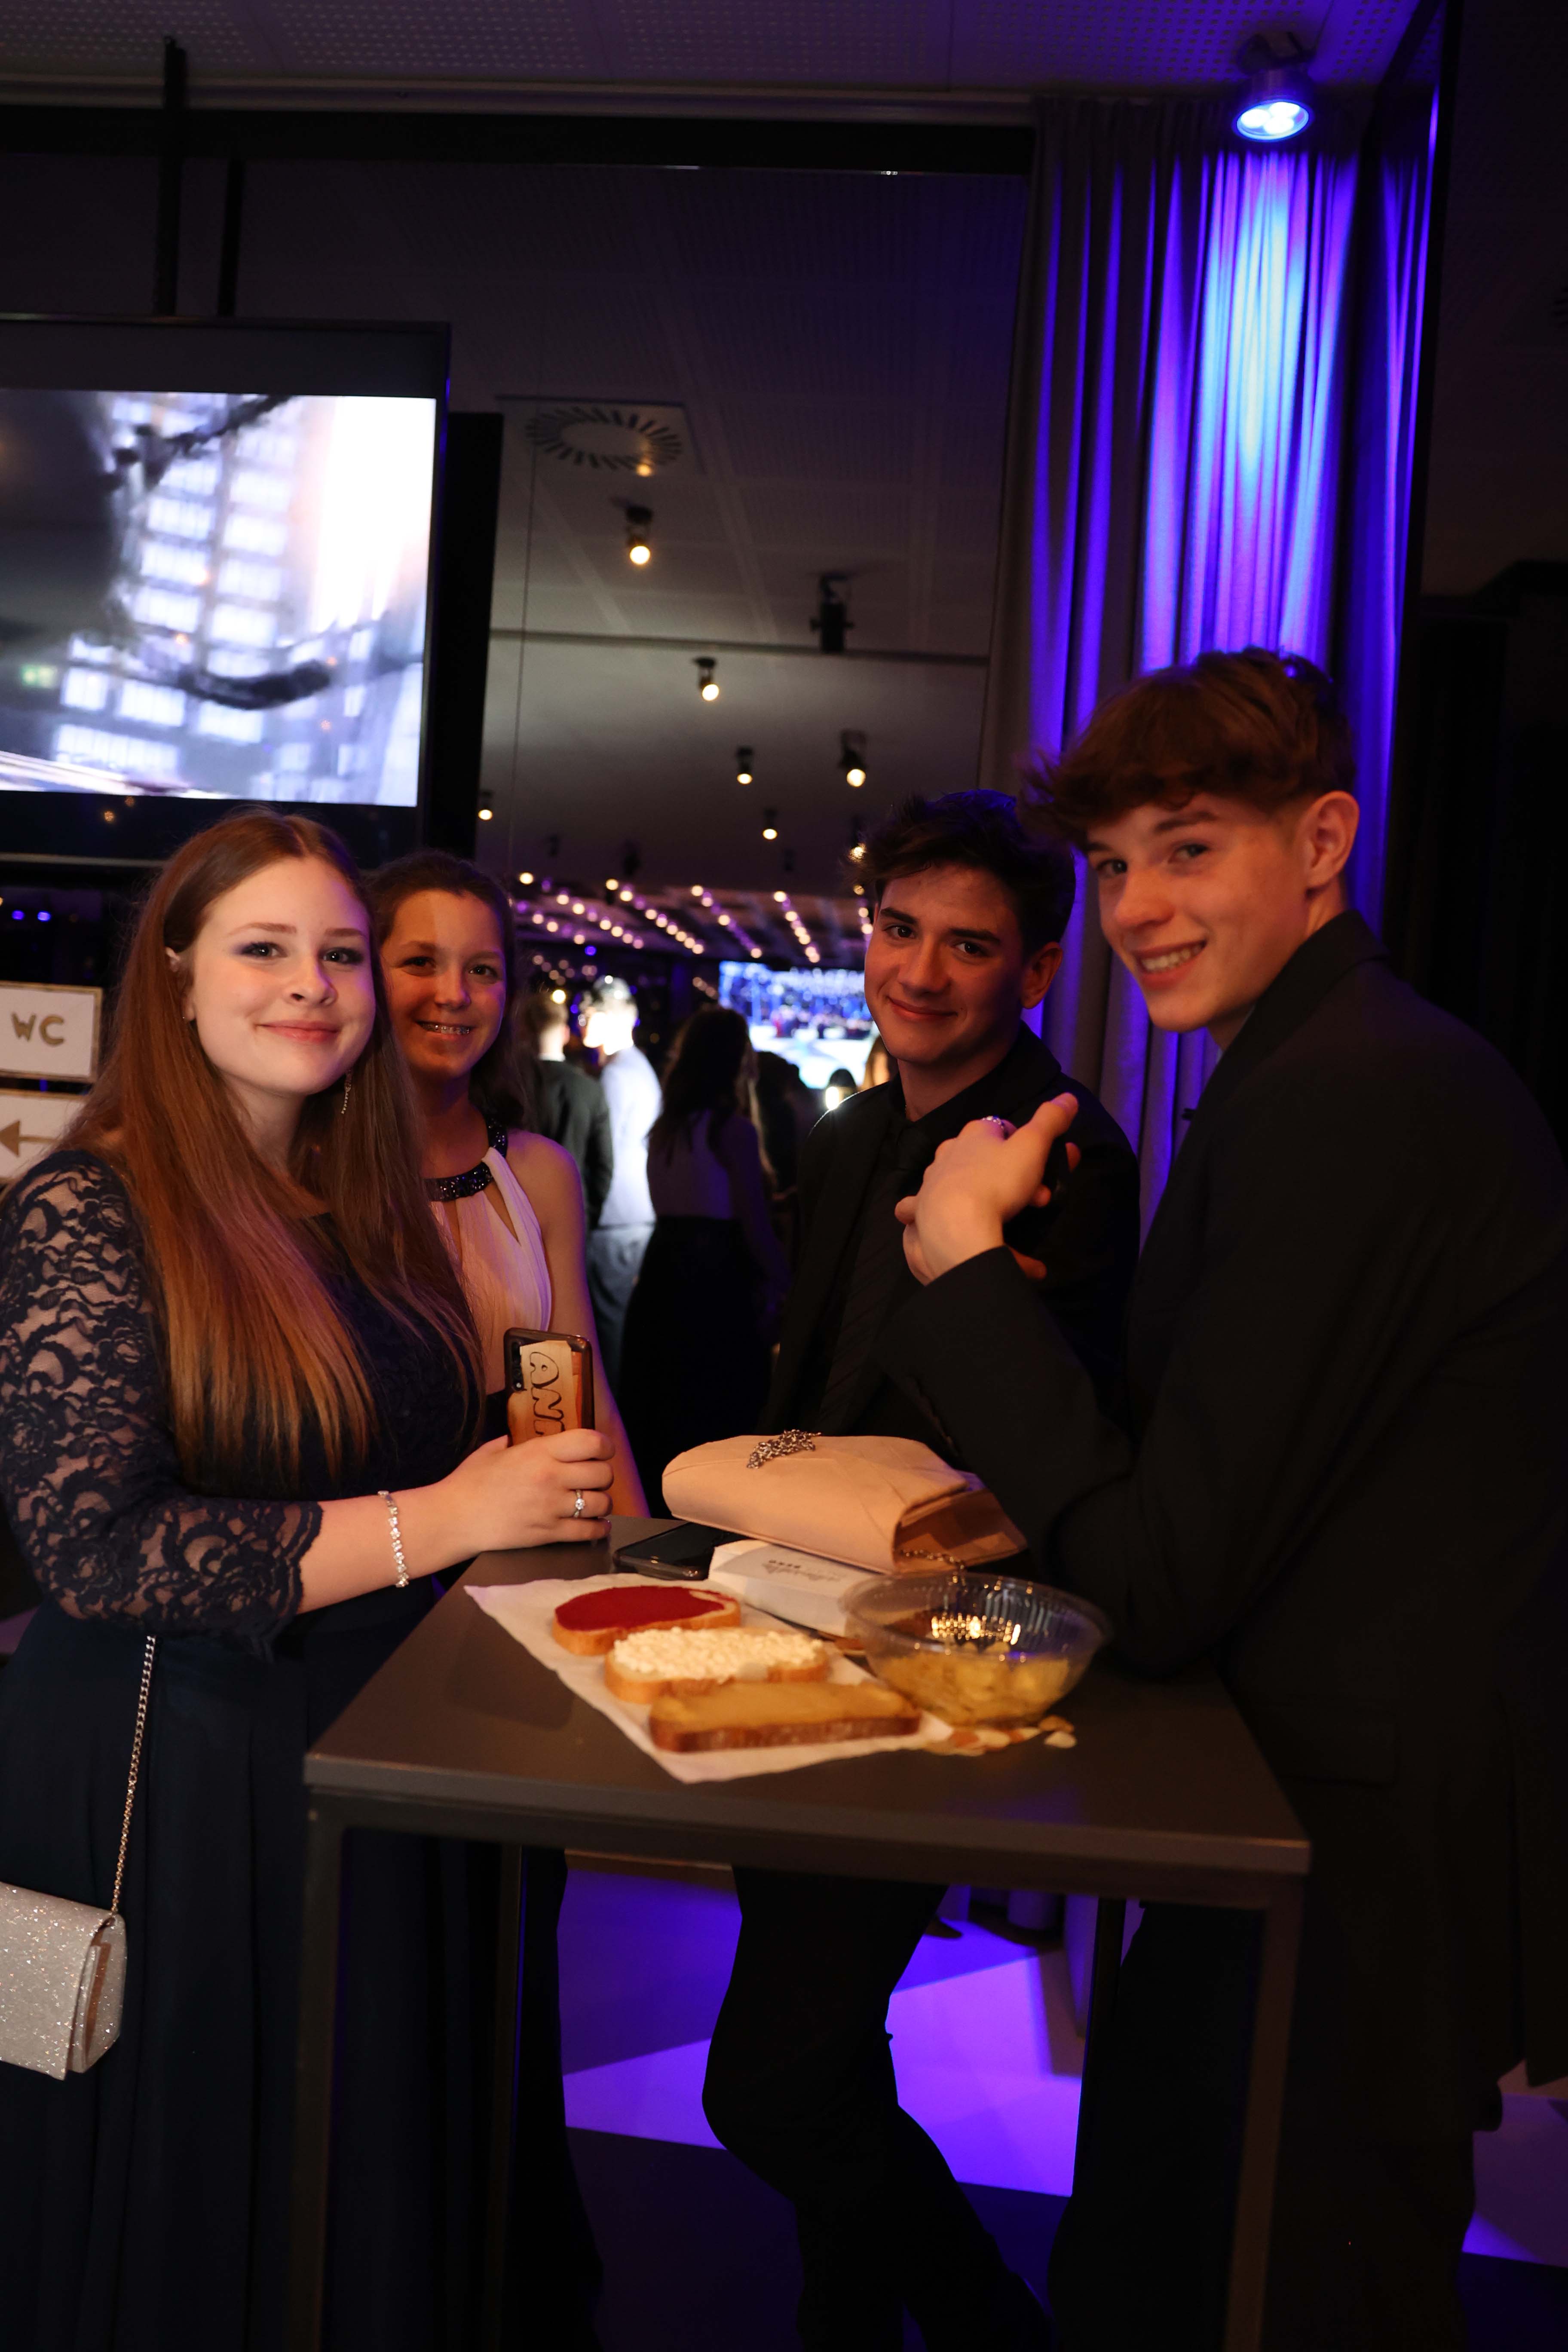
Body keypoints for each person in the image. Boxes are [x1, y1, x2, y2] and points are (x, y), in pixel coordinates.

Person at [884, 651, 1568, 2351]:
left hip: (1350, 1864)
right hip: (1298, 1825)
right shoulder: (1316, 1070)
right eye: (1113, 863)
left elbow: (1161, 1570)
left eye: (1187, 849)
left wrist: (961, 1274)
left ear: (1320, 842)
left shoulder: (1359, 1095)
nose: (1136, 907)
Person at [0, 812, 617, 2352]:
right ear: (176, 975)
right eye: (264, 948)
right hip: (187, 1779)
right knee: (218, 2199)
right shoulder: (89, 1207)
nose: (313, 985)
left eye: (339, 953)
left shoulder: (361, 1213)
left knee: (368, 2187)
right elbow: (96, 1547)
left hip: (378, 1761)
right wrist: (444, 1514)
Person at [702, 790, 1141, 2352]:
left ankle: (987, 2323)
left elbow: (1053, 1428)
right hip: (796, 1618)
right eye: (898, 930)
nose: (920, 970)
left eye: (969, 945)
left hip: (934, 1648)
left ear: (1036, 966)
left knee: (762, 2086)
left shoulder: (1064, 1152)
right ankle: (843, 2320)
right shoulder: (850, 1127)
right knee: (826, 2048)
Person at [370, 850, 642, 1508]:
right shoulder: (302, 1168)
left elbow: (578, 1404)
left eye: (482, 970)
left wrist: (637, 1552)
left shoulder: (538, 1174)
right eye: (420, 962)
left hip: (524, 1537)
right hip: (363, 1548)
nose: (454, 993)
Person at [617, 1006, 791, 1509]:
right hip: (717, 1278)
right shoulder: (733, 1131)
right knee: (722, 1410)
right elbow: (754, 1225)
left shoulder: (666, 1129)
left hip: (665, 1272)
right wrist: (789, 1282)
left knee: (666, 1408)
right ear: (736, 1060)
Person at [580, 975, 661, 1388]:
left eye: (590, 1014)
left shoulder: (616, 1075)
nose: (582, 1022)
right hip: (634, 1212)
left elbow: (602, 1153)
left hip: (614, 1216)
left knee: (607, 1325)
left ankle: (609, 1407)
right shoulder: (639, 1067)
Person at [522, 989, 615, 1230]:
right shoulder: (590, 1089)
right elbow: (604, 1165)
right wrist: (589, 1214)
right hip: (574, 1212)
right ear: (565, 1034)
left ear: (524, 1033)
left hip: (519, 1212)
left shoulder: (509, 1087)